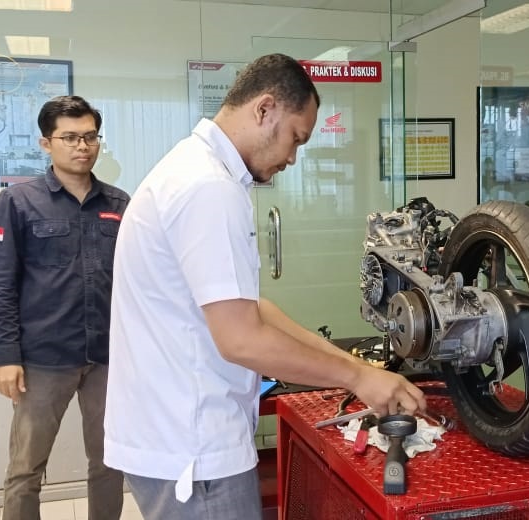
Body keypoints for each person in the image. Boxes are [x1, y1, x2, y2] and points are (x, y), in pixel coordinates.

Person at [105, 53, 427, 519]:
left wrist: (355, 367)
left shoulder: (199, 172)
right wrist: (357, 379)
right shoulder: (208, 188)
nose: (293, 158)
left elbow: (252, 308)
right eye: (296, 138)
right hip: (196, 452)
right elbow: (241, 338)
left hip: (175, 436)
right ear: (265, 109)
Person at [0, 95, 129, 520]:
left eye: (90, 136)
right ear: (46, 143)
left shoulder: (119, 203)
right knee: (26, 467)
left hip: (106, 356)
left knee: (109, 462)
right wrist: (5, 356)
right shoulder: (18, 202)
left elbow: (136, 282)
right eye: (70, 137)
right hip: (43, 357)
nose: (82, 146)